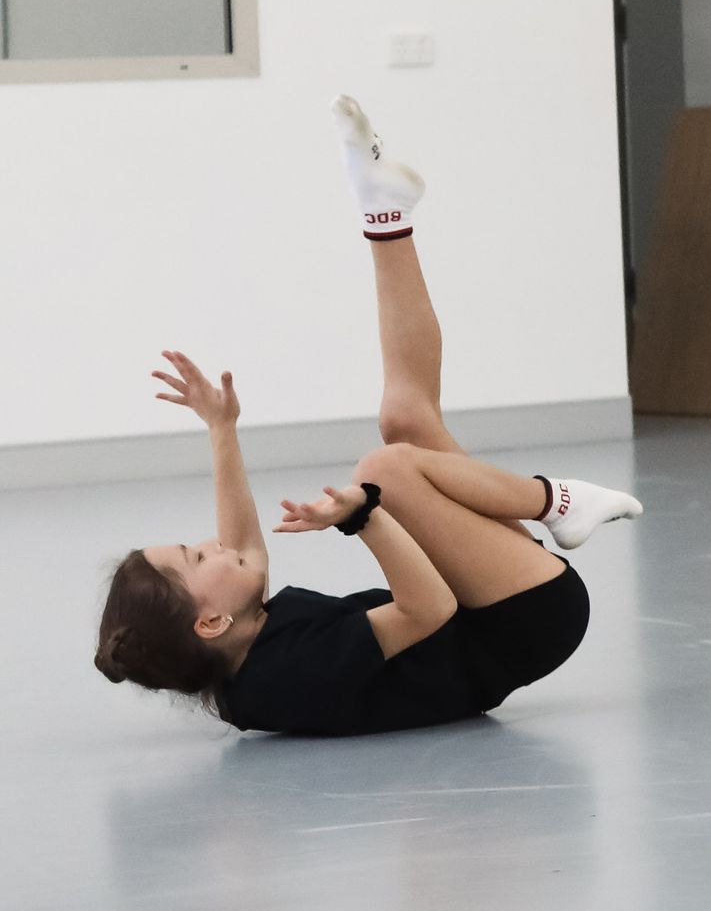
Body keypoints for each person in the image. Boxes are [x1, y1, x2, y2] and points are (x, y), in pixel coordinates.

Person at [92, 99, 642, 734]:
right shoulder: (287, 676)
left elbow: (242, 548)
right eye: (195, 556)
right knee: (386, 471)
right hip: (522, 621)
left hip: (484, 602)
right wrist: (364, 517)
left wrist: (221, 430)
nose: (212, 543)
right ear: (210, 620)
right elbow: (428, 609)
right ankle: (555, 501)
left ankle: (385, 215)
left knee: (404, 420)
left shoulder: (234, 640)